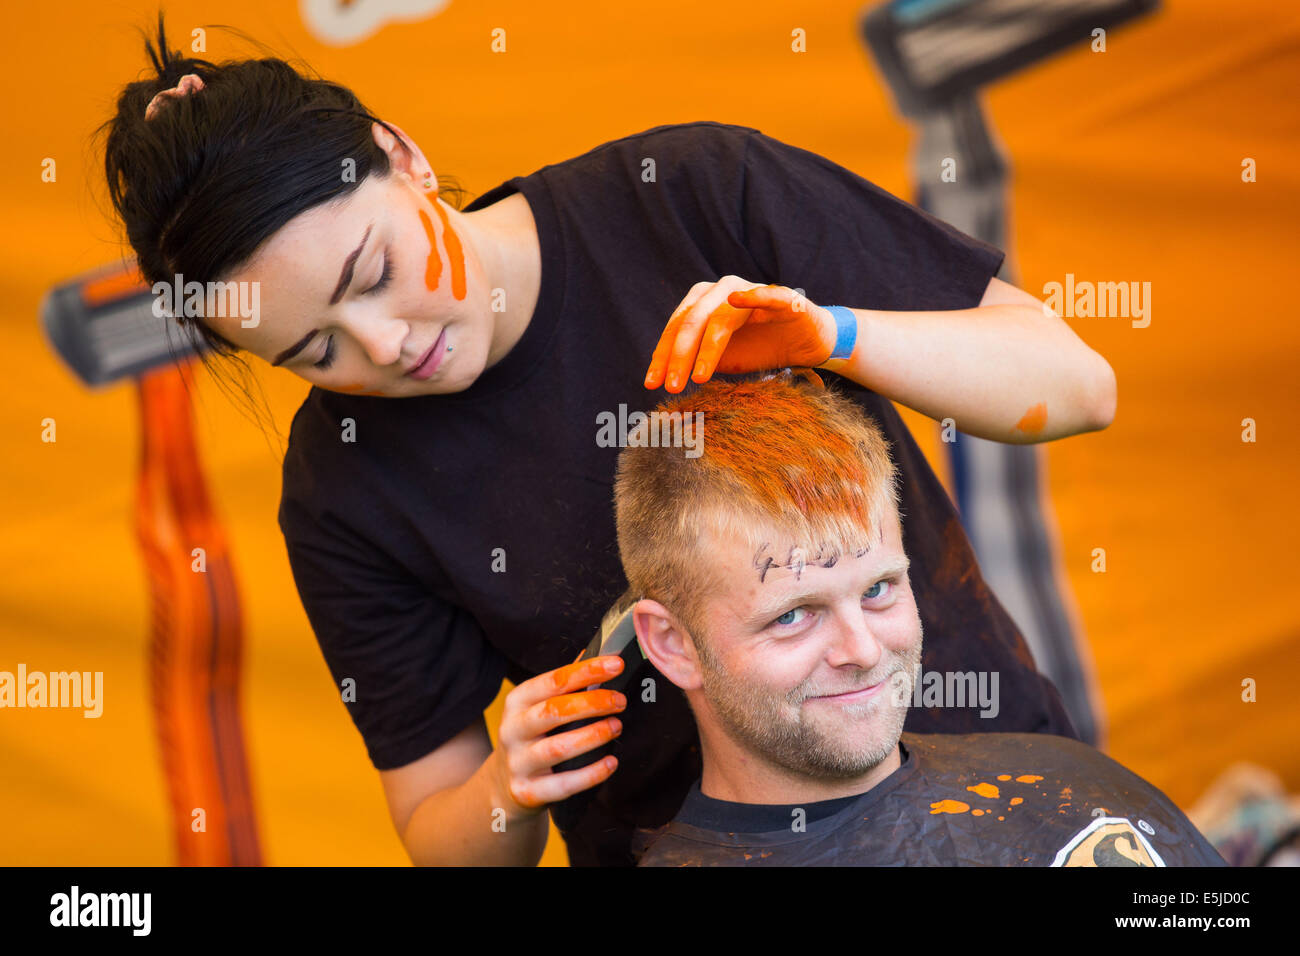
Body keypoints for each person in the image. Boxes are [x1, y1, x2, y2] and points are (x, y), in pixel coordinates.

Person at [101, 15, 1116, 866]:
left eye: (371, 272)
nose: (385, 343)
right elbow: (434, 824)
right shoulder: (342, 489)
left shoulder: (685, 195)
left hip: (996, 800)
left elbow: (1075, 385)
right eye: (313, 349)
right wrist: (510, 783)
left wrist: (832, 332)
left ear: (400, 153)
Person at [614, 374, 1223, 866]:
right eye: (795, 615)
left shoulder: (1071, 782)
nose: (864, 649)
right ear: (672, 645)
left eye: (879, 588)